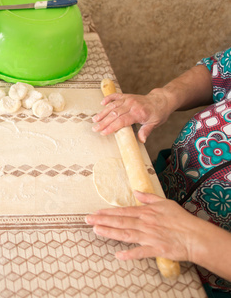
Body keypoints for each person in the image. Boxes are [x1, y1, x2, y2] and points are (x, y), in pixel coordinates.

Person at [88, 48, 231, 297]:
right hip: (163, 184)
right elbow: (220, 70)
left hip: (209, 274)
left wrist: (194, 240)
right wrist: (163, 98)